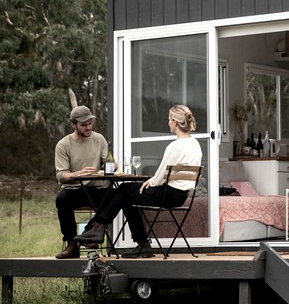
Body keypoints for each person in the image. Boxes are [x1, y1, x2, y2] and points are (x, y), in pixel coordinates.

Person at [76, 104, 203, 258]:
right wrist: (152, 181)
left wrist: (151, 181)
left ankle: (98, 228)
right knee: (125, 192)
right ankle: (102, 230)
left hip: (168, 195)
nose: (168, 122)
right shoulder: (195, 144)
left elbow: (160, 176)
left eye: (169, 119)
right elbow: (164, 176)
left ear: (175, 122)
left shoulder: (174, 146)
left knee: (124, 193)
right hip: (181, 196)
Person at [54, 105, 110, 259]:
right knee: (62, 199)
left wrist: (111, 166)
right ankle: (72, 244)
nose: (88, 127)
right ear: (73, 124)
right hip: (74, 189)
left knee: (117, 196)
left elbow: (109, 162)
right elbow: (61, 175)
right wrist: (79, 174)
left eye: (90, 123)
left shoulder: (99, 139)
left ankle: (90, 233)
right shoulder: (63, 144)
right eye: (84, 125)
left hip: (97, 188)